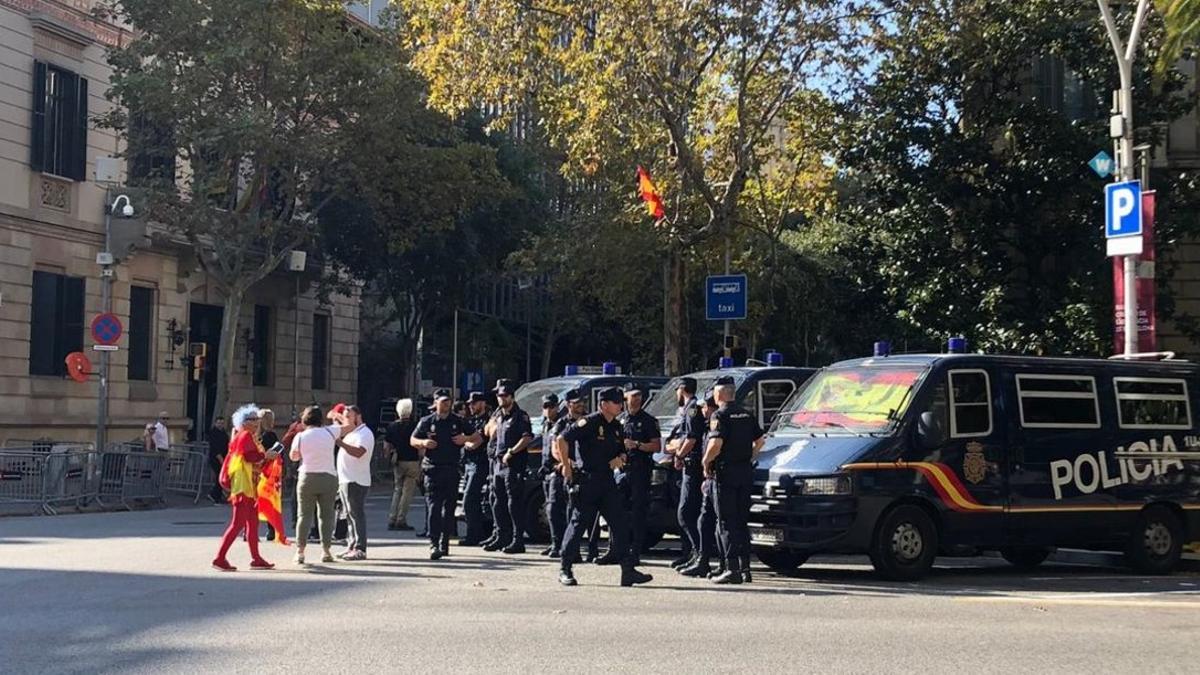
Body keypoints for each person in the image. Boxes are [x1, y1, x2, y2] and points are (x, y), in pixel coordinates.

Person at [554, 387, 652, 587]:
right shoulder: (589, 422)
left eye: (620, 402)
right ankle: (565, 568)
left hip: (607, 482)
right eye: (616, 402)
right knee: (578, 524)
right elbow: (562, 439)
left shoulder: (617, 426)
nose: (620, 406)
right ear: (604, 404)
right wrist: (566, 466)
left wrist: (620, 458)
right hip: (587, 481)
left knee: (620, 524)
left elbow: (623, 451)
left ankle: (627, 570)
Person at [702, 376, 766, 585]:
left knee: (725, 522)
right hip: (744, 472)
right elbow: (760, 440)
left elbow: (716, 444)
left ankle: (732, 569)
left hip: (726, 474)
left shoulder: (720, 415)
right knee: (741, 520)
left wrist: (705, 462)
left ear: (718, 394)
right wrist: (750, 456)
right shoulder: (747, 414)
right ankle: (745, 567)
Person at [412, 388, 479, 560]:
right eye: (442, 401)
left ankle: (445, 542)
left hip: (451, 469)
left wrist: (466, 440)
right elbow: (413, 440)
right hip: (433, 469)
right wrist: (423, 442)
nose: (446, 404)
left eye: (448, 401)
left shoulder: (458, 421)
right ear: (435, 403)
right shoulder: (427, 421)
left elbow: (477, 437)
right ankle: (434, 543)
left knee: (449, 510)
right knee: (434, 508)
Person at [212, 404, 279, 571]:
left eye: (257, 419)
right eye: (252, 419)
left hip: (249, 484)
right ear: (244, 422)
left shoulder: (247, 436)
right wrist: (266, 455)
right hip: (244, 485)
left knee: (252, 523)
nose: (257, 422)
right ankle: (220, 558)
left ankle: (256, 558)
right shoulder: (245, 436)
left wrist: (265, 456)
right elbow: (249, 456)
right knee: (238, 523)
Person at [290, 405, 349, 565]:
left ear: (305, 419)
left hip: (307, 476)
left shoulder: (300, 436)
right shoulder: (331, 431)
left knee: (304, 515)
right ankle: (326, 550)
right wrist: (337, 414)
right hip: (328, 476)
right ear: (320, 419)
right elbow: (349, 426)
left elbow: (294, 457)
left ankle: (300, 551)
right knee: (326, 515)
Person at [483, 379, 534, 554]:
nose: (501, 398)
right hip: (498, 463)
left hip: (513, 464)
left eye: (504, 395)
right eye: (499, 396)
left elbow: (527, 437)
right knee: (498, 501)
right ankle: (501, 536)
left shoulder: (520, 416)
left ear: (512, 397)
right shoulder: (499, 416)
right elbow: (488, 432)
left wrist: (512, 452)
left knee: (514, 503)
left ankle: (517, 539)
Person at [665, 376, 706, 572]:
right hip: (691, 467)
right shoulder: (690, 408)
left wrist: (679, 455)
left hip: (693, 467)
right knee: (687, 512)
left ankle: (700, 555)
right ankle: (693, 554)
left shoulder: (691, 409)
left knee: (685, 513)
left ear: (681, 390)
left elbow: (690, 439)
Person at [617, 386, 661, 564]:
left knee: (638, 512)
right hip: (621, 470)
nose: (636, 399)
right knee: (617, 510)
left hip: (640, 470)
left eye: (639, 396)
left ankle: (636, 550)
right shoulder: (621, 419)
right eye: (633, 396)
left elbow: (656, 446)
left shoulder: (648, 421)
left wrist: (636, 444)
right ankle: (617, 549)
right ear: (625, 398)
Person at [682, 391, 723, 578]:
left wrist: (706, 464)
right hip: (710, 479)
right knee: (705, 522)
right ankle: (703, 561)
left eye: (706, 407)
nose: (703, 411)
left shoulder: (720, 423)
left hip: (719, 478)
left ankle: (727, 565)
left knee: (721, 524)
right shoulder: (708, 425)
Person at [335, 405, 374, 561]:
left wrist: (340, 443)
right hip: (346, 478)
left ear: (358, 417)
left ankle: (360, 548)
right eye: (345, 417)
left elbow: (359, 452)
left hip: (356, 480)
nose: (346, 420)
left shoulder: (365, 433)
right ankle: (352, 544)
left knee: (356, 514)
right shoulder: (352, 433)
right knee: (349, 515)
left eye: (349, 416)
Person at [459, 391, 491, 546]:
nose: (471, 406)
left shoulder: (487, 421)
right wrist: (467, 440)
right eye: (470, 403)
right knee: (472, 501)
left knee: (470, 499)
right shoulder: (472, 421)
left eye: (474, 403)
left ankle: (474, 535)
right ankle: (476, 533)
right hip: (468, 464)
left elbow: (475, 443)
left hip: (480, 463)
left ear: (483, 403)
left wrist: (466, 441)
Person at [385, 399, 421, 531]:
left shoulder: (391, 426)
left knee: (397, 490)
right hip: (412, 460)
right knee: (407, 492)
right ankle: (401, 519)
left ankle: (391, 518)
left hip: (398, 460)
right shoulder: (415, 425)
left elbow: (386, 445)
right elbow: (419, 445)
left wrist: (389, 457)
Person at [536, 392, 564, 557]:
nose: (547, 410)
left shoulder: (560, 424)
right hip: (546, 470)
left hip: (556, 471)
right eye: (545, 407)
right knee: (549, 509)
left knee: (555, 509)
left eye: (551, 406)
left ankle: (559, 544)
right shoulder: (546, 424)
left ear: (557, 407)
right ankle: (554, 542)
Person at [259, 409, 282, 542]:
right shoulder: (271, 435)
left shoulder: (257, 436)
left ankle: (248, 529)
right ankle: (271, 530)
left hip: (258, 470)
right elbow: (278, 452)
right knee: (269, 501)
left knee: (256, 501)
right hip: (270, 471)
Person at [206, 416, 230, 503]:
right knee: (219, 478)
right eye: (219, 423)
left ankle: (217, 495)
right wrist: (221, 460)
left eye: (222, 423)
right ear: (215, 423)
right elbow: (215, 448)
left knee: (220, 478)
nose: (220, 425)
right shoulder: (213, 433)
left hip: (223, 457)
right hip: (216, 458)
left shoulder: (224, 433)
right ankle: (214, 496)